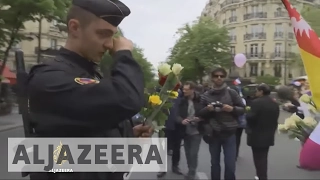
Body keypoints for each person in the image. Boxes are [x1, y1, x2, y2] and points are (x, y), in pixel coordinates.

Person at [26, 0, 153, 180]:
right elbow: (128, 98)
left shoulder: (90, 74)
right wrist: (123, 54)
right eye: (103, 34)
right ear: (75, 28)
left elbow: (88, 127)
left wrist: (128, 135)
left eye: (112, 36)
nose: (110, 44)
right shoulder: (49, 77)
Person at [197, 67, 245, 180]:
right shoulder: (206, 95)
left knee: (230, 164)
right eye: (216, 76)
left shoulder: (232, 93)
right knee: (214, 163)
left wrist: (232, 109)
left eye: (221, 76)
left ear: (224, 78)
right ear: (212, 78)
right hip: (213, 134)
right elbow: (199, 113)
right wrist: (207, 109)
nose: (219, 78)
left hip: (230, 133)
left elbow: (243, 109)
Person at [246, 83, 280, 180]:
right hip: (269, 134)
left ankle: (261, 176)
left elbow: (251, 117)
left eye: (256, 91)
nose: (255, 93)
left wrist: (247, 114)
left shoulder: (256, 102)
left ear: (261, 91)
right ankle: (262, 175)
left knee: (257, 158)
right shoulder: (274, 103)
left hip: (256, 134)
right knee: (263, 157)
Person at [177, 81, 202, 180]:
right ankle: (190, 169)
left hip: (197, 130)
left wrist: (200, 118)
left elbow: (206, 113)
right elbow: (176, 114)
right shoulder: (182, 100)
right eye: (183, 89)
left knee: (193, 153)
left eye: (186, 90)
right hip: (185, 130)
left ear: (193, 90)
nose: (184, 91)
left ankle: (192, 172)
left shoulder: (201, 99)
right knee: (187, 152)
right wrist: (181, 120)